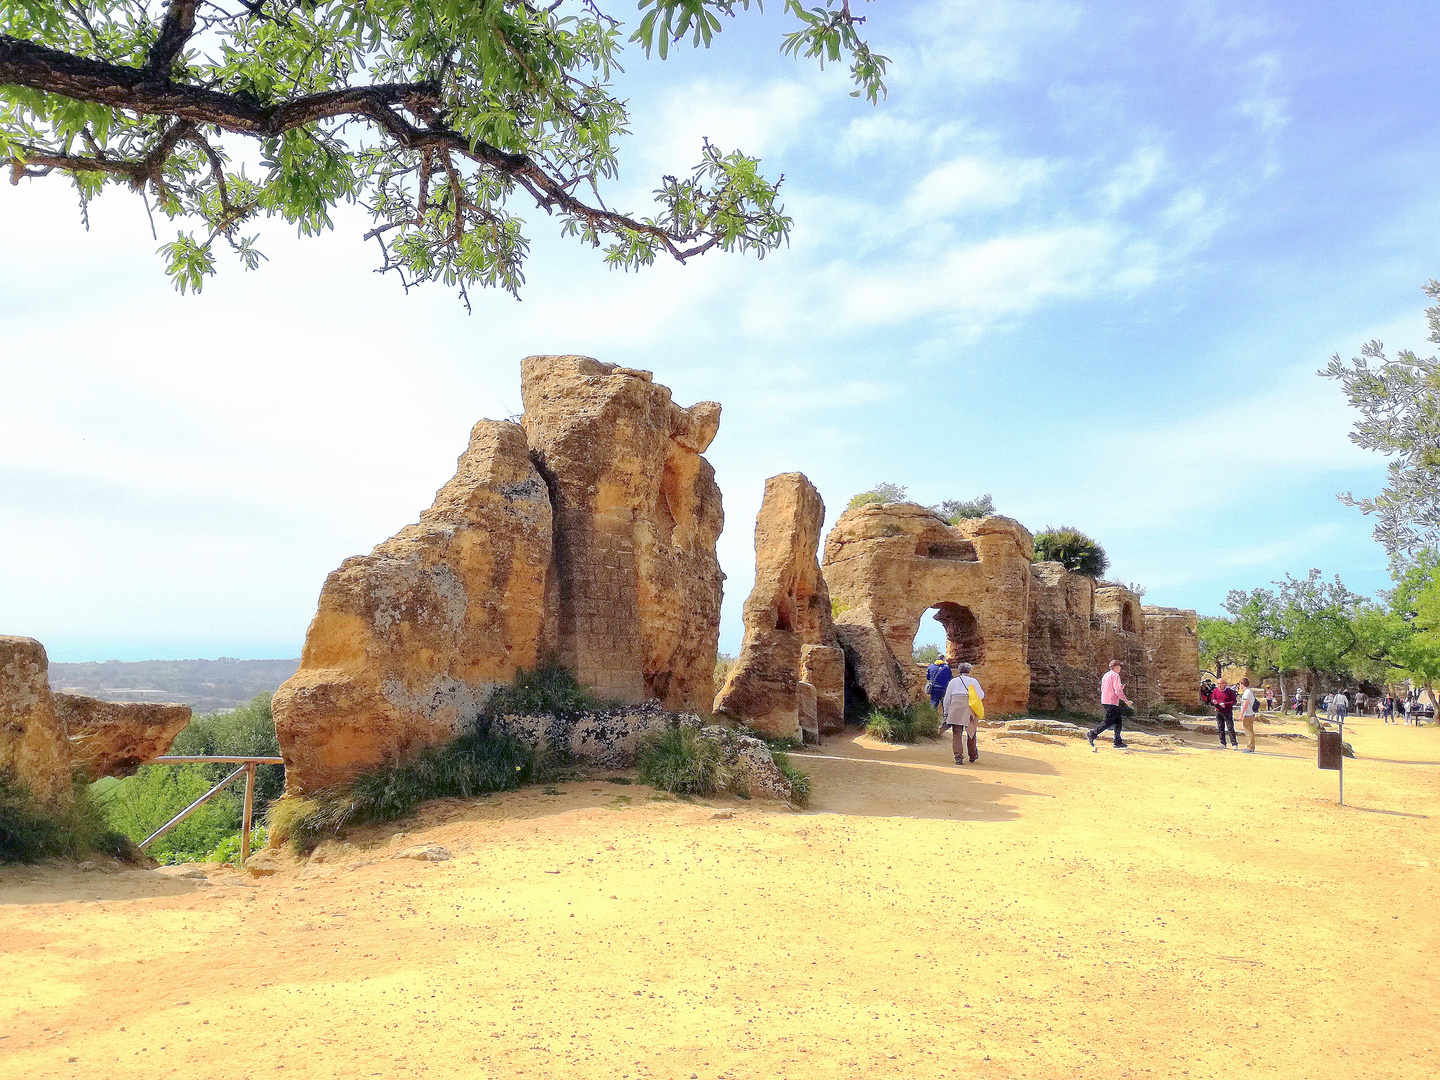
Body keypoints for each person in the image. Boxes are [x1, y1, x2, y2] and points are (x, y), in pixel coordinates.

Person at [941, 662, 985, 764]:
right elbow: (981, 695)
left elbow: (947, 698)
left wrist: (946, 712)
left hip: (955, 707)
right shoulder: (973, 681)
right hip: (969, 708)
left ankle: (958, 757)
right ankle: (973, 755)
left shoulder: (953, 681)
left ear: (959, 671)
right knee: (971, 733)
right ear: (969, 671)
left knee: (957, 733)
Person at [1087, 660, 1133, 750]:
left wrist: (1120, 687)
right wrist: (1126, 701)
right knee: (1108, 721)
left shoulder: (1106, 675)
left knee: (1118, 721)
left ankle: (1117, 741)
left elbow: (1106, 687)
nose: (1120, 668)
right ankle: (1092, 734)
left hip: (1105, 700)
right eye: (1119, 666)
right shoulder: (1116, 675)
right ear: (1115, 667)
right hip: (1112, 701)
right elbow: (1117, 691)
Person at [1211, 677, 1239, 749]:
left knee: (1230, 727)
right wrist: (1214, 702)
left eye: (1221, 683)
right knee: (1220, 727)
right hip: (1219, 711)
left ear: (1225, 684)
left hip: (1227, 711)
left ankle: (1234, 744)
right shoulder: (1215, 691)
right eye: (1218, 683)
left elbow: (1234, 702)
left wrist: (1225, 704)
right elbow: (1212, 699)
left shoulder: (1230, 691)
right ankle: (1223, 743)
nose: (1219, 685)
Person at [1237, 677, 1259, 753]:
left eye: (1240, 684)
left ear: (1242, 684)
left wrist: (1241, 714)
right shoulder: (1249, 692)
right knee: (1249, 731)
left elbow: (1245, 705)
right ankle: (1249, 746)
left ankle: (1250, 747)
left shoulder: (1247, 692)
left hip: (1248, 714)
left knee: (1248, 731)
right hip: (1249, 714)